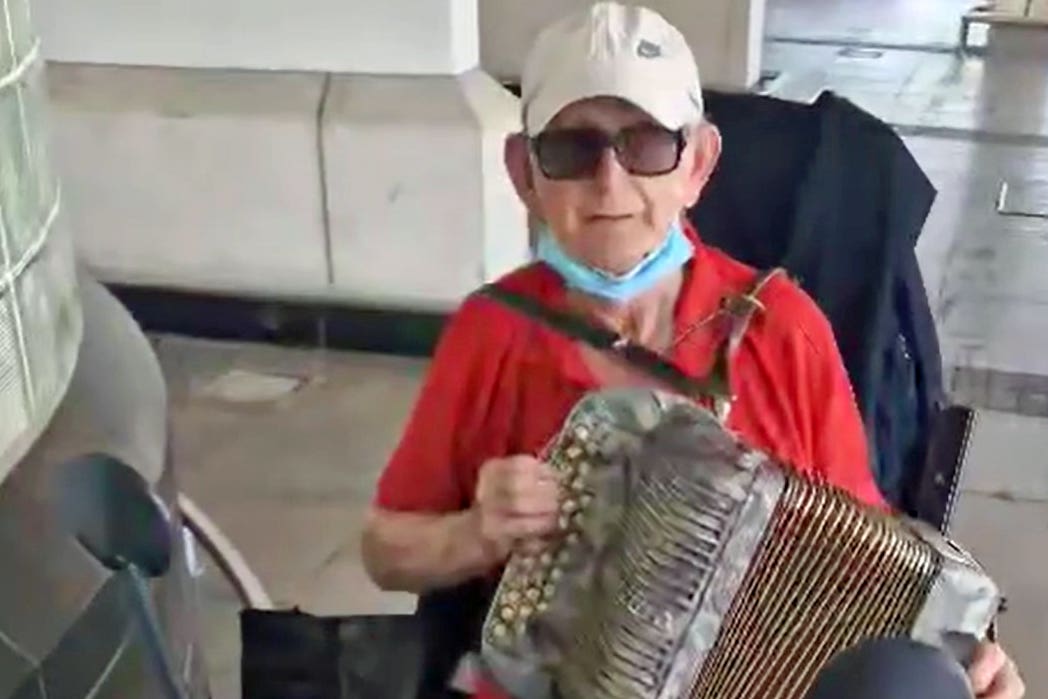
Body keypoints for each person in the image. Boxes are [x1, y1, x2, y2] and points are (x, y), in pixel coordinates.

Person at [360, 3, 1024, 698]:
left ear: (699, 164)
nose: (609, 184)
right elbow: (385, 548)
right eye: (571, 150)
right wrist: (474, 534)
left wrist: (965, 661)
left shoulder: (781, 326)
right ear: (526, 174)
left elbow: (873, 557)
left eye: (646, 145)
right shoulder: (493, 331)